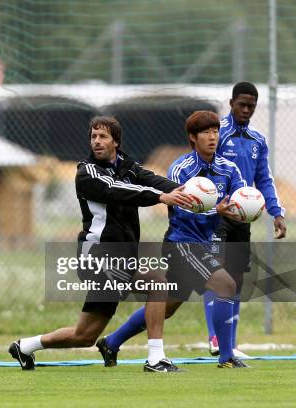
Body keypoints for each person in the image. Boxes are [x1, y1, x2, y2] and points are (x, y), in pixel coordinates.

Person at [9, 116, 193, 372]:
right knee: (157, 283)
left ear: (116, 141)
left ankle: (25, 346)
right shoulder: (87, 173)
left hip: (118, 256)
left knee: (85, 336)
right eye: (93, 136)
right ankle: (155, 359)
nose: (96, 141)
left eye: (103, 136)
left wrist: (190, 194)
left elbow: (152, 179)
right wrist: (161, 197)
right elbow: (117, 189)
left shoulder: (127, 166)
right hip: (96, 257)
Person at [97, 111, 251, 368]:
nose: (212, 137)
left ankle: (111, 342)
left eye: (215, 131)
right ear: (192, 138)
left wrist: (249, 207)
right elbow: (181, 207)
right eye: (205, 132)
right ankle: (227, 357)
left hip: (205, 244)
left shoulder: (228, 168)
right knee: (225, 285)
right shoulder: (181, 169)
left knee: (167, 306)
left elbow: (239, 199)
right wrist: (218, 211)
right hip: (182, 243)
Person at [204, 82, 286, 357]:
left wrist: (277, 213)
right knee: (216, 276)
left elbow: (264, 178)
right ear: (231, 103)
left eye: (251, 105)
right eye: (242, 104)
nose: (247, 109)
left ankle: (231, 343)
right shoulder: (218, 135)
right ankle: (215, 337)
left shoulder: (257, 140)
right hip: (218, 213)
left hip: (243, 216)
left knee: (237, 278)